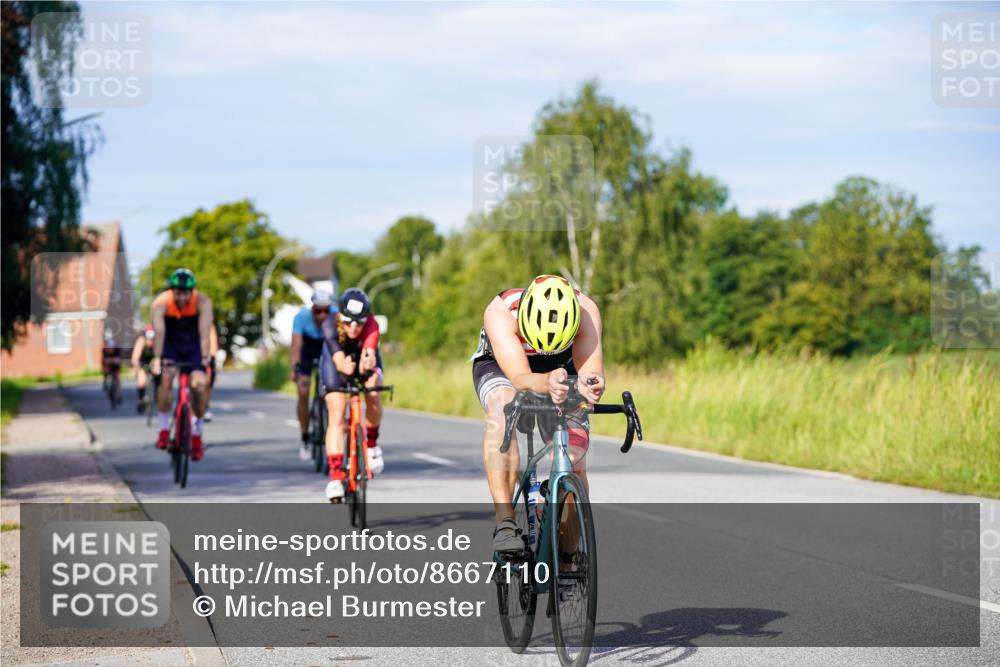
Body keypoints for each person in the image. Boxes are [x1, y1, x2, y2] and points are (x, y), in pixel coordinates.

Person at [471, 274, 605, 552]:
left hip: (562, 366)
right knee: (503, 408)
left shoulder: (586, 312)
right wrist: (546, 383)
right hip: (503, 366)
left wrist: (590, 385)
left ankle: (568, 564)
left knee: (574, 463)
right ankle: (505, 522)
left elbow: (590, 372)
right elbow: (520, 377)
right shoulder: (500, 312)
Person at [320, 288, 384, 502]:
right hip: (336, 361)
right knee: (337, 415)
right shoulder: (330, 323)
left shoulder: (373, 325)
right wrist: (343, 366)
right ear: (340, 317)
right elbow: (338, 358)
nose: (354, 327)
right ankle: (336, 477)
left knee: (374, 390)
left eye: (360, 322)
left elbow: (369, 351)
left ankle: (372, 444)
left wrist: (367, 364)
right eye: (348, 322)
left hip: (361, 360)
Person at [150, 268, 215, 461]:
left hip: (193, 345)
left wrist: (204, 357)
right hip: (171, 344)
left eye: (186, 292)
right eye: (178, 291)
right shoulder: (160, 303)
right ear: (172, 290)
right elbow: (159, 332)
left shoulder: (203, 302)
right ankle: (163, 430)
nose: (182, 296)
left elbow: (204, 333)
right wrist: (156, 358)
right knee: (166, 377)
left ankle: (196, 435)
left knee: (199, 385)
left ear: (192, 291)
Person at [289, 290, 336, 461]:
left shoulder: (335, 316)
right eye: (318, 311)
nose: (322, 315)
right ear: (312, 308)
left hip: (327, 346)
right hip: (307, 349)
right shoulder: (301, 317)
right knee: (303, 391)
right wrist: (294, 368)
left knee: (333, 388)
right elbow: (296, 346)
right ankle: (305, 437)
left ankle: (327, 418)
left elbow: (340, 343)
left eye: (326, 310)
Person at [130, 325, 156, 413]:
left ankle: (158, 396)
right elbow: (135, 357)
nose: (150, 342)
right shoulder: (141, 341)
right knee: (141, 381)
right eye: (148, 339)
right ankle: (140, 400)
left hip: (153, 362)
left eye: (152, 339)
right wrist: (136, 364)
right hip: (143, 362)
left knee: (159, 376)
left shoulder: (157, 342)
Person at [101, 331, 123, 408]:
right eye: (109, 348)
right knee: (105, 370)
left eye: (111, 348)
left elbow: (119, 360)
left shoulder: (117, 349)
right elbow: (103, 361)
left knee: (117, 378)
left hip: (116, 366)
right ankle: (105, 381)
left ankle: (119, 395)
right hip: (108, 365)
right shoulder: (104, 350)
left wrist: (115, 360)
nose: (110, 350)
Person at [204, 324, 220, 422]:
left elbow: (213, 342)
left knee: (208, 380)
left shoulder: (209, 325)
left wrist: (213, 359)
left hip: (206, 356)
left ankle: (206, 406)